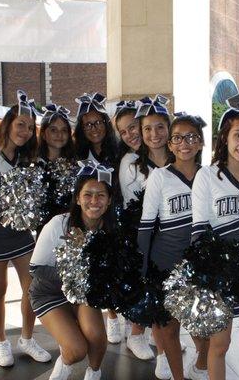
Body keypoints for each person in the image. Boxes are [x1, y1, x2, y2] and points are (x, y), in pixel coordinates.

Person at [0, 94, 51, 367]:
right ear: (8, 124)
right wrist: (6, 200)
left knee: (32, 287)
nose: (25, 132)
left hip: (21, 232)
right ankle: (1, 341)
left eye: (30, 127)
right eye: (21, 125)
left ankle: (26, 338)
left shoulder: (27, 157)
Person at [191, 95, 239, 380]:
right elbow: (199, 230)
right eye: (238, 135)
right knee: (220, 344)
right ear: (225, 138)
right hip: (217, 271)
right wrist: (213, 268)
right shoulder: (207, 176)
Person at [138, 112, 209, 380]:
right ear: (170, 144)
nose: (184, 143)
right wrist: (143, 267)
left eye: (191, 137)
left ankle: (201, 365)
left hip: (201, 263)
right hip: (165, 261)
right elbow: (146, 225)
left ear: (201, 142)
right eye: (177, 138)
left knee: (203, 328)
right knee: (169, 328)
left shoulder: (211, 175)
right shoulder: (159, 177)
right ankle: (178, 376)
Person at [30, 161, 114, 380]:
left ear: (109, 200)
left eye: (101, 195)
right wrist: (75, 277)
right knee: (76, 350)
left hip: (84, 295)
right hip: (49, 291)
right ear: (77, 198)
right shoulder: (58, 224)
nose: (94, 201)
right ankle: (65, 361)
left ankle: (94, 372)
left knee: (96, 336)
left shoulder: (112, 232)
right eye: (87, 195)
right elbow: (35, 269)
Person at [119, 95, 171, 378]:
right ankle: (145, 340)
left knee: (170, 296)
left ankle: (165, 341)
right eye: (147, 128)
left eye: (159, 128)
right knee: (151, 291)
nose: (153, 135)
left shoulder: (182, 157)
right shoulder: (130, 162)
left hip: (176, 237)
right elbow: (131, 207)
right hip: (146, 236)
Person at [105, 100, 141, 345]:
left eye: (133, 127)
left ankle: (157, 331)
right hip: (134, 227)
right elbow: (132, 205)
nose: (129, 135)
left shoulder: (166, 152)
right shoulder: (128, 161)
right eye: (123, 131)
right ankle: (118, 320)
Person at [36, 103, 76, 233]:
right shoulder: (33, 165)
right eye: (53, 130)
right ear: (43, 134)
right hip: (44, 230)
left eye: (64, 130)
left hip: (70, 227)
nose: (59, 134)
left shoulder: (75, 164)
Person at [73, 93, 119, 169]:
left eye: (98, 123)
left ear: (106, 124)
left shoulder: (119, 151)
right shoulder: (76, 154)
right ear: (82, 128)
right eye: (88, 124)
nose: (94, 129)